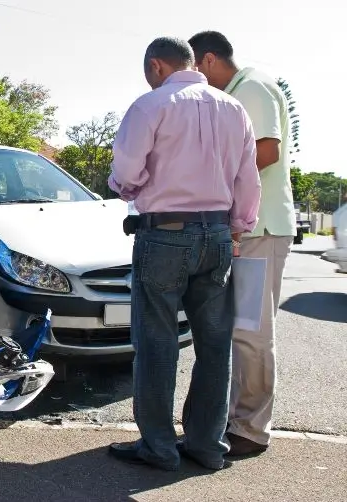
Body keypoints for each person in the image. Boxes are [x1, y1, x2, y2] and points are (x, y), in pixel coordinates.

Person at [107, 36, 261, 471]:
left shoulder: (151, 105)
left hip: (165, 235)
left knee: (157, 343)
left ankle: (158, 447)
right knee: (214, 345)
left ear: (157, 66)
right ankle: (207, 446)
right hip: (217, 235)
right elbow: (248, 180)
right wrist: (237, 229)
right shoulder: (233, 109)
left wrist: (126, 187)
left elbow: (127, 172)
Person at [189, 31, 296, 457]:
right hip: (245, 231)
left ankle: (251, 430)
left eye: (194, 69)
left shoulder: (251, 87)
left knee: (251, 332)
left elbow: (266, 150)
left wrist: (210, 179)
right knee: (240, 330)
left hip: (261, 230)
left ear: (209, 60)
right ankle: (235, 421)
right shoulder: (236, 91)